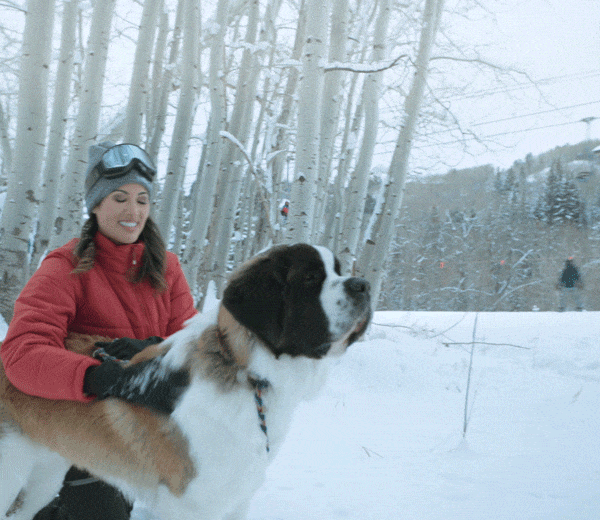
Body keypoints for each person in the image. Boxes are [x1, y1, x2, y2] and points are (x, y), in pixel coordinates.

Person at [1, 141, 198, 520]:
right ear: (95, 205)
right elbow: (22, 353)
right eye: (119, 198)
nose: (133, 211)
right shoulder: (65, 267)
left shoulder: (167, 269)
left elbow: (191, 347)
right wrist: (95, 376)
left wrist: (151, 349)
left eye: (142, 200)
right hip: (75, 428)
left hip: (140, 431)